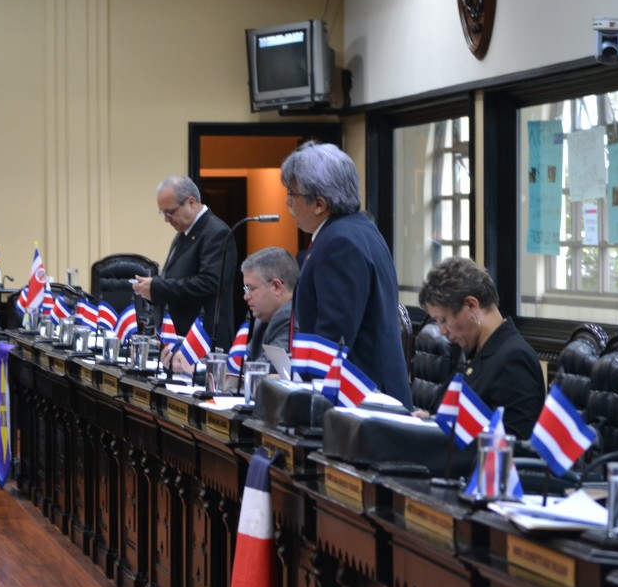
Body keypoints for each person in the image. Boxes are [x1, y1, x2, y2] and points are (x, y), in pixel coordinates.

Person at [281, 142, 412, 409]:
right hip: (369, 395)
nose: (287, 202)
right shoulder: (360, 228)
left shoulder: (339, 244)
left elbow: (333, 337)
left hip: (361, 404)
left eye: (291, 193)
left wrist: (304, 397)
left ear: (319, 204)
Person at [417, 256, 545, 440]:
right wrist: (430, 421)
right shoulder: (475, 353)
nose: (442, 331)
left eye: (443, 320)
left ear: (471, 305)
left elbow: (511, 447)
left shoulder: (514, 359)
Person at [132, 175, 237, 351]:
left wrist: (158, 287)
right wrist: (152, 292)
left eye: (170, 212)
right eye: (162, 213)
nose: (166, 219)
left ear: (191, 202)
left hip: (204, 339)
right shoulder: (186, 232)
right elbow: (177, 277)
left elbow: (209, 284)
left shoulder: (216, 233)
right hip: (180, 338)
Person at [161, 246, 298, 375]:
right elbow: (239, 363)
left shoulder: (291, 318)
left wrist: (198, 370)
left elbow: (261, 371)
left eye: (251, 288)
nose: (246, 296)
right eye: (245, 289)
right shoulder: (264, 319)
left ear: (276, 287)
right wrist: (190, 362)